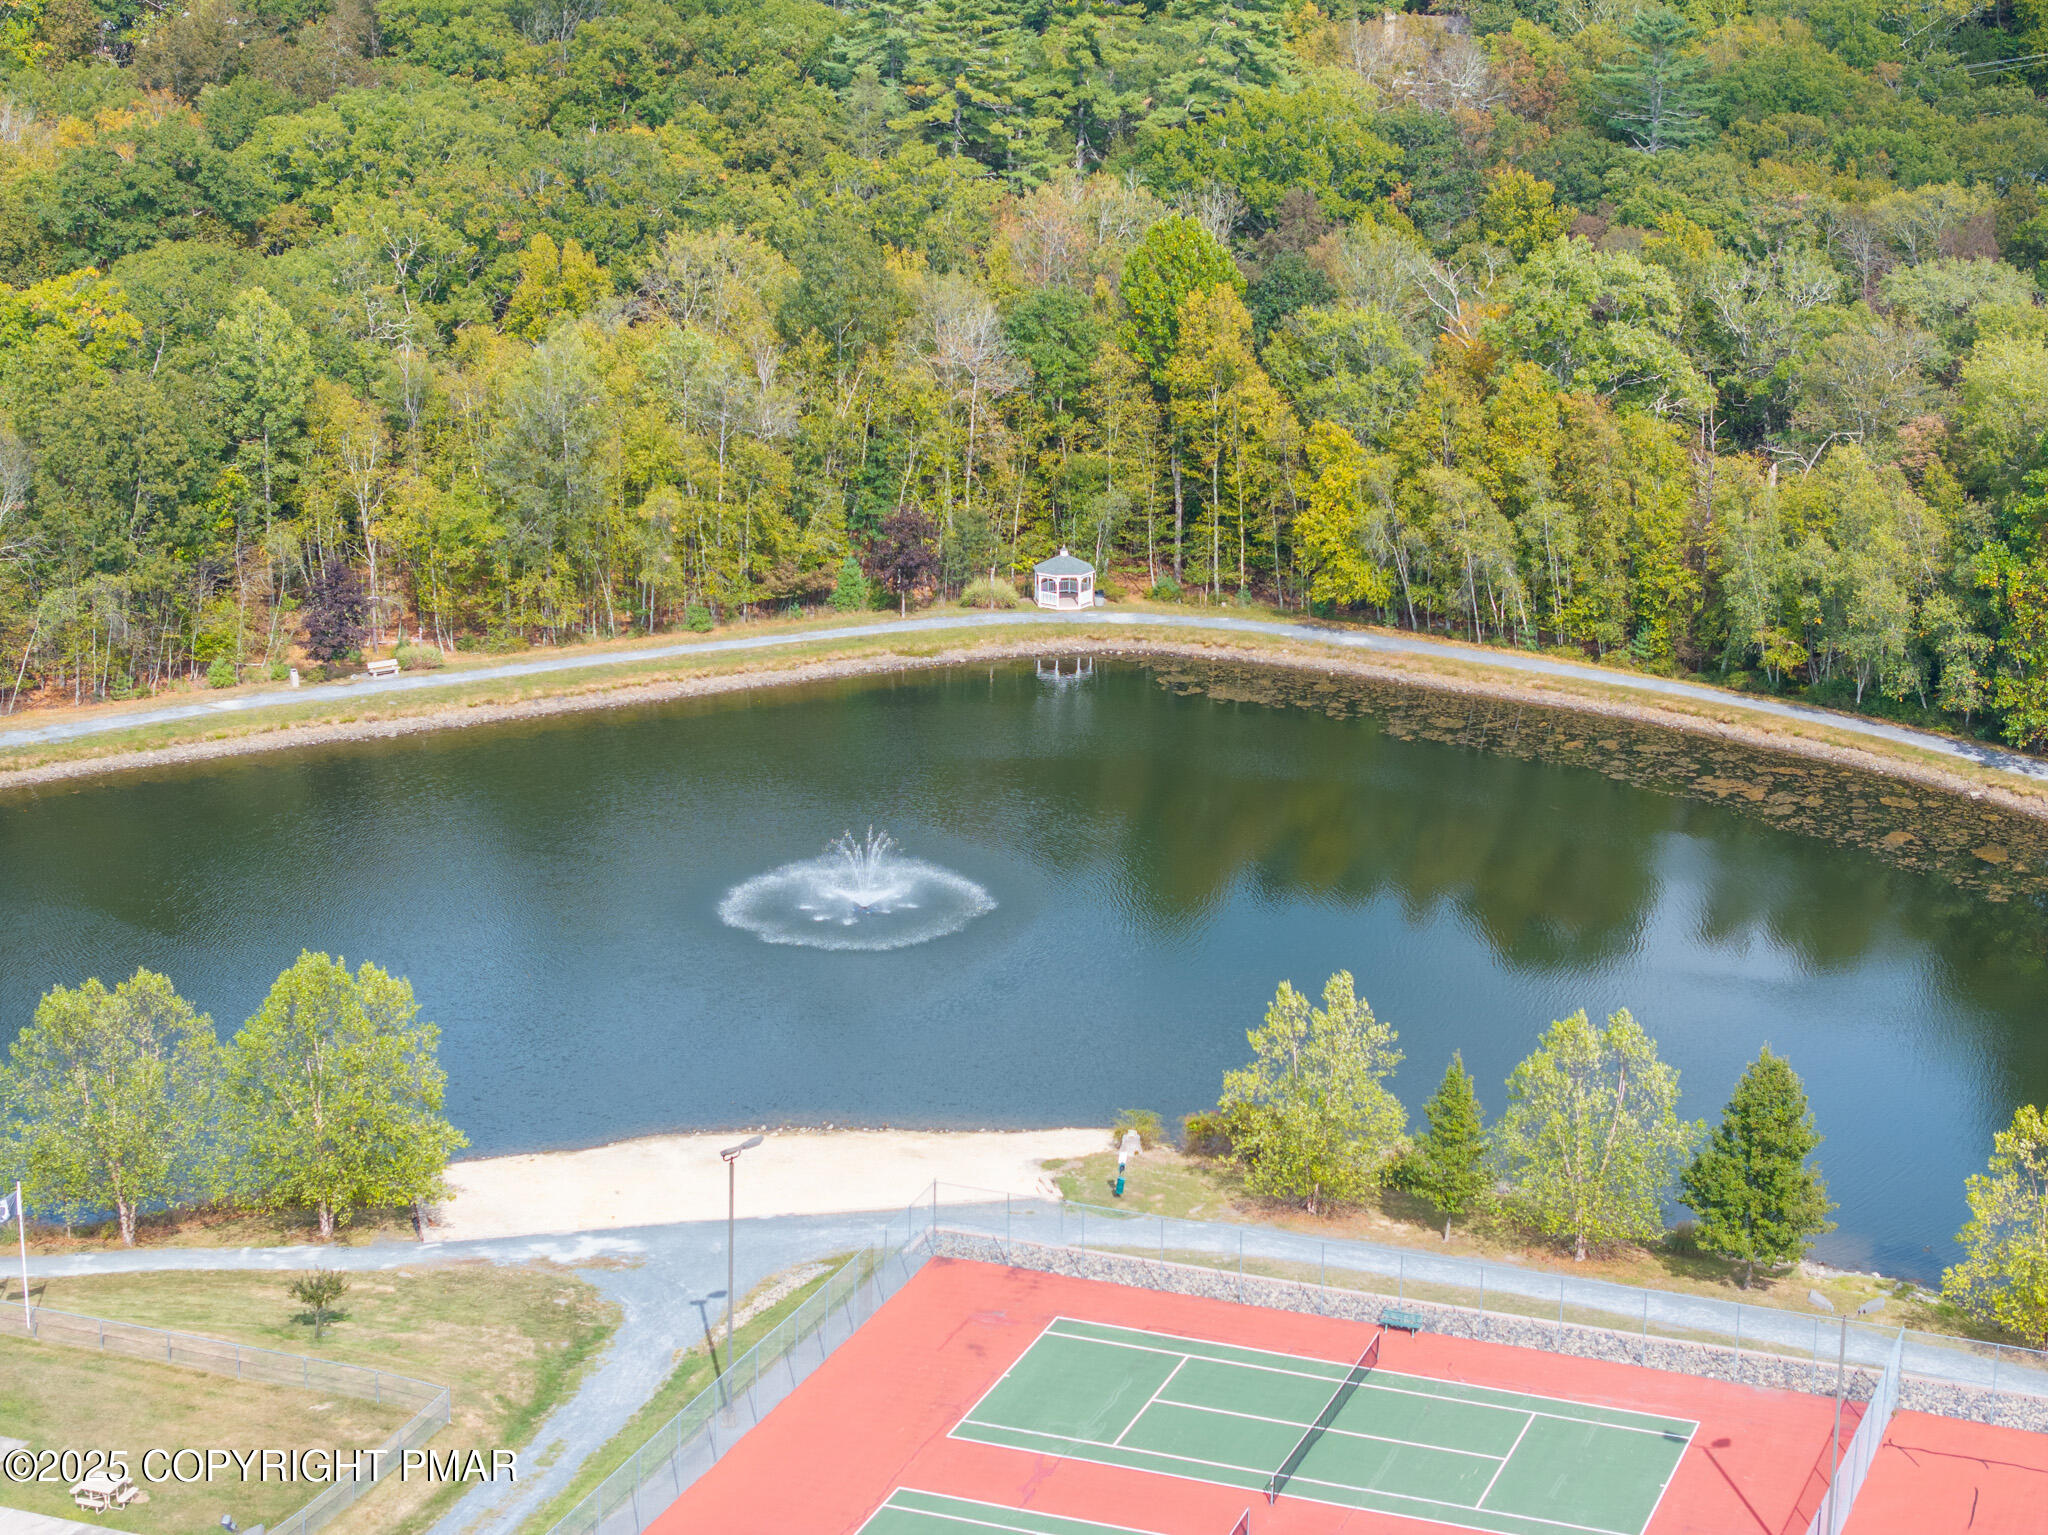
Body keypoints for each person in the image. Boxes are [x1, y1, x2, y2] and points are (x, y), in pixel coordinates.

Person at [1115, 1127, 1141, 1198]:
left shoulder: (1130, 1138)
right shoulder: (1126, 1138)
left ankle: (1119, 1188)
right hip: (1123, 1157)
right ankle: (1118, 1189)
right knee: (1121, 1171)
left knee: (1122, 1171)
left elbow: (1137, 1147)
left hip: (1123, 1157)